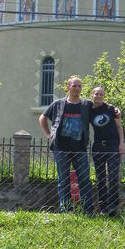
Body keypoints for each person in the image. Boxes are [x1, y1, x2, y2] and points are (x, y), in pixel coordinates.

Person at [39, 75, 94, 214]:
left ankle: (87, 210)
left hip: (80, 149)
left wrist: (114, 110)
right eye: (74, 85)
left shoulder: (86, 105)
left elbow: (100, 109)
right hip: (61, 149)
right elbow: (42, 118)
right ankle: (66, 210)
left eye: (79, 86)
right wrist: (48, 135)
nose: (77, 88)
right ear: (68, 87)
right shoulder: (58, 104)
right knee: (63, 181)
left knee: (85, 180)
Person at [90, 86, 124, 215]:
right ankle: (103, 207)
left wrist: (121, 144)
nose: (98, 96)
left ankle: (113, 207)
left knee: (113, 177)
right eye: (96, 94)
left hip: (113, 146)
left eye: (101, 94)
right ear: (92, 95)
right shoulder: (89, 110)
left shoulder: (111, 109)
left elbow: (119, 127)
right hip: (98, 147)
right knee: (100, 178)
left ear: (104, 96)